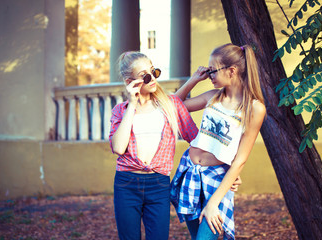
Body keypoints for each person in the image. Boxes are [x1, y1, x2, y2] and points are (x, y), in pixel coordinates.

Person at [170, 43, 266, 240]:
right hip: (190, 172)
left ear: (232, 71)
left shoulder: (254, 108)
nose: (209, 74)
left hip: (217, 180)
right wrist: (193, 80)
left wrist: (213, 203)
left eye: (213, 70)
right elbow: (172, 108)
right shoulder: (212, 97)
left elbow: (240, 160)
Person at [108, 51, 199, 240]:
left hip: (158, 183)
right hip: (126, 183)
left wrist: (226, 167)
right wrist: (132, 104)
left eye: (153, 72)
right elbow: (118, 147)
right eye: (144, 76)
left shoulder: (170, 104)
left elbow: (196, 138)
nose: (152, 79)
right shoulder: (121, 110)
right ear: (129, 81)